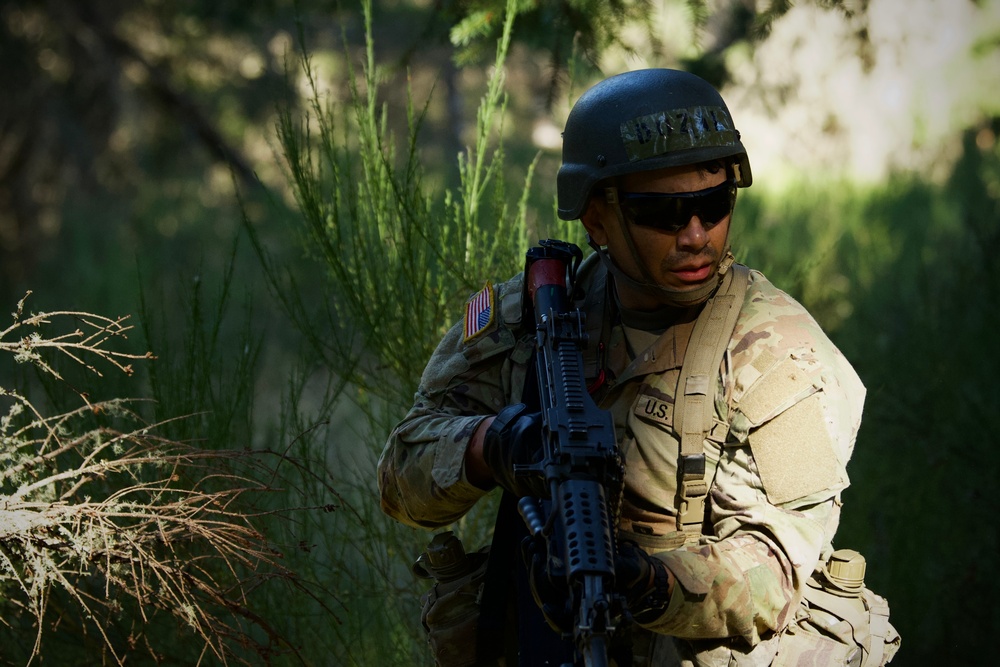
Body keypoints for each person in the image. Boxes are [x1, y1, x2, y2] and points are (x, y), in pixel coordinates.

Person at [378, 68, 886, 666]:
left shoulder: (779, 354)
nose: (696, 236)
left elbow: (773, 574)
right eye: (662, 213)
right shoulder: (527, 321)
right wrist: (497, 446)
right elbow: (402, 480)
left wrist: (645, 580)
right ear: (596, 218)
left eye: (713, 205)